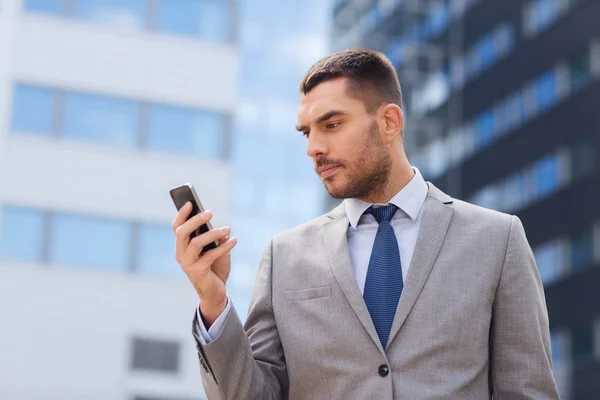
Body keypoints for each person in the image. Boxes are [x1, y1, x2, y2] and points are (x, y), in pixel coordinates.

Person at [172, 49, 559, 399]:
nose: (313, 148)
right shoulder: (284, 256)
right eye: (307, 132)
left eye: (332, 124)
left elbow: (527, 392)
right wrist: (213, 300)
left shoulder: (497, 239)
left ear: (389, 122)